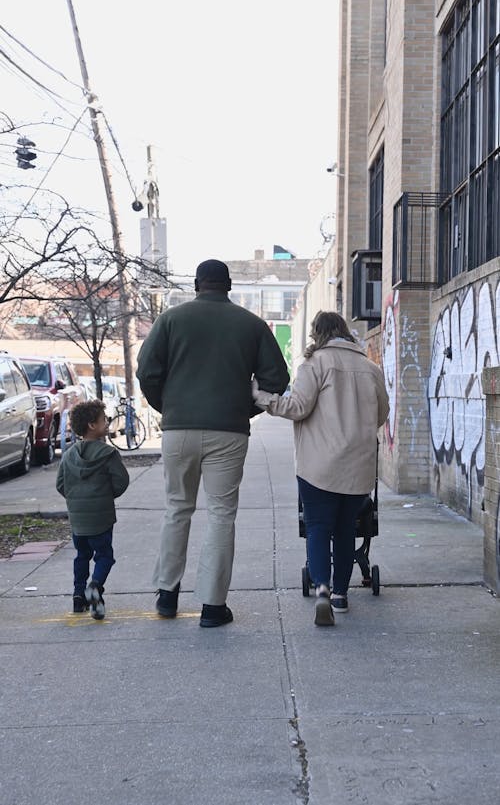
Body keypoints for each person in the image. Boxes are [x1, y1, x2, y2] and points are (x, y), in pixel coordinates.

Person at [137, 259, 289, 627]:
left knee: (177, 508)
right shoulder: (252, 325)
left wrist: (169, 407)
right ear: (229, 285)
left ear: (196, 284)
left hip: (178, 429)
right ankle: (212, 607)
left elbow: (147, 370)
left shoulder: (171, 320)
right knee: (221, 515)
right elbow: (276, 378)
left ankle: (167, 595)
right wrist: (243, 409)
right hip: (229, 431)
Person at [253, 311, 389, 627]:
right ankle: (341, 595)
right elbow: (381, 413)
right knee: (344, 529)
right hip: (358, 467)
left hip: (318, 467)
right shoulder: (371, 369)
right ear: (345, 332)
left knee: (317, 527)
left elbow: (298, 407)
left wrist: (262, 398)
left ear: (318, 335)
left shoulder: (314, 366)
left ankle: (323, 590)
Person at [56, 399, 129, 619]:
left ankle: (78, 596)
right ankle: (95, 586)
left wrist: (77, 499)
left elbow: (61, 484)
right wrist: (106, 496)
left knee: (82, 555)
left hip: (78, 520)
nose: (107, 423)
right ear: (91, 425)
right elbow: (121, 481)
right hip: (102, 518)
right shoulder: (108, 454)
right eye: (103, 420)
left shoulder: (69, 455)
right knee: (104, 555)